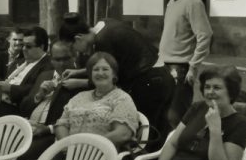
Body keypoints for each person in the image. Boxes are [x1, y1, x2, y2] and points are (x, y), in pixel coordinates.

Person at [33, 52, 140, 160]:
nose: (100, 73)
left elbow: (122, 133)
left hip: (101, 156)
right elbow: (61, 124)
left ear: (114, 74)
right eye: (96, 69)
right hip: (71, 152)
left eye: (105, 69)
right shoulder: (80, 97)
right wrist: (68, 145)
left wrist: (88, 146)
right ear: (90, 74)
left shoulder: (122, 98)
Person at [58, 13, 174, 142]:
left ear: (78, 38)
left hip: (150, 82)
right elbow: (110, 65)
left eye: (72, 47)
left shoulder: (103, 41)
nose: (76, 51)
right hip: (160, 75)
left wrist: (77, 83)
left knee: (150, 134)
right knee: (160, 129)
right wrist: (78, 72)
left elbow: (107, 77)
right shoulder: (104, 24)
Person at [151, 66, 246, 160]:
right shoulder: (198, 108)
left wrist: (215, 130)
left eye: (217, 88)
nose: (210, 92)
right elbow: (173, 143)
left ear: (231, 91)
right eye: (207, 87)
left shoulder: (240, 123)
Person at [13, 40, 88, 160]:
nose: (61, 63)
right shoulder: (45, 75)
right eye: (56, 59)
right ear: (51, 59)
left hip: (55, 133)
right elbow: (24, 108)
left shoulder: (81, 80)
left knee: (24, 154)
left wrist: (47, 128)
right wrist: (39, 95)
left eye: (65, 58)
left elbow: (77, 120)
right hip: (31, 126)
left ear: (74, 56)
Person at [160, 0, 213, 127]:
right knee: (163, 115)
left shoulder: (193, 2)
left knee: (176, 117)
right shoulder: (171, 2)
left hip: (181, 68)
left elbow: (205, 35)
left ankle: (182, 142)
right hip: (164, 65)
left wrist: (193, 66)